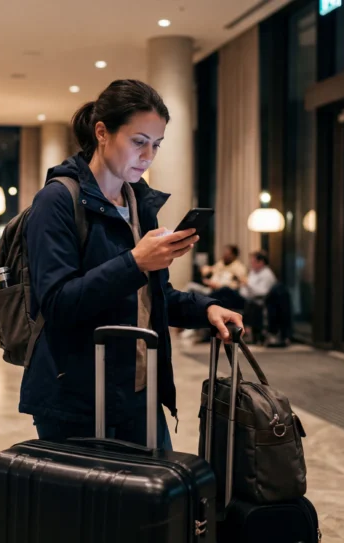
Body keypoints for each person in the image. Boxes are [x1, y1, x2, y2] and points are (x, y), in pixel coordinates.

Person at [23, 79, 243, 450]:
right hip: (76, 398)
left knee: (155, 504)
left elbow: (153, 297)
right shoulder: (58, 201)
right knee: (91, 509)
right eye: (139, 141)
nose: (148, 156)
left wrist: (207, 309)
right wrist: (135, 262)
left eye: (156, 145)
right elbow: (58, 303)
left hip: (138, 389)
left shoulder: (139, 204)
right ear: (102, 132)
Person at [238, 251, 292, 347]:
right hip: (248, 298)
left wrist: (247, 284)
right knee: (227, 293)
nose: (251, 264)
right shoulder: (252, 272)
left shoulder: (267, 274)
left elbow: (263, 292)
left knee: (229, 294)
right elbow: (244, 291)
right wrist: (246, 287)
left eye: (253, 262)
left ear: (261, 262)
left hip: (263, 300)